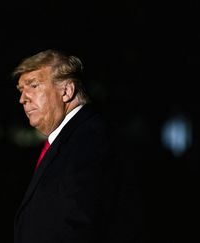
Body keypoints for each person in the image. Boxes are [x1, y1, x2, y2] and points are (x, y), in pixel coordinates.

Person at [12, 49, 140, 243]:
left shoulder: (90, 140)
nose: (23, 98)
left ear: (67, 91)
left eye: (33, 85)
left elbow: (78, 226)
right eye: (21, 90)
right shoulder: (72, 138)